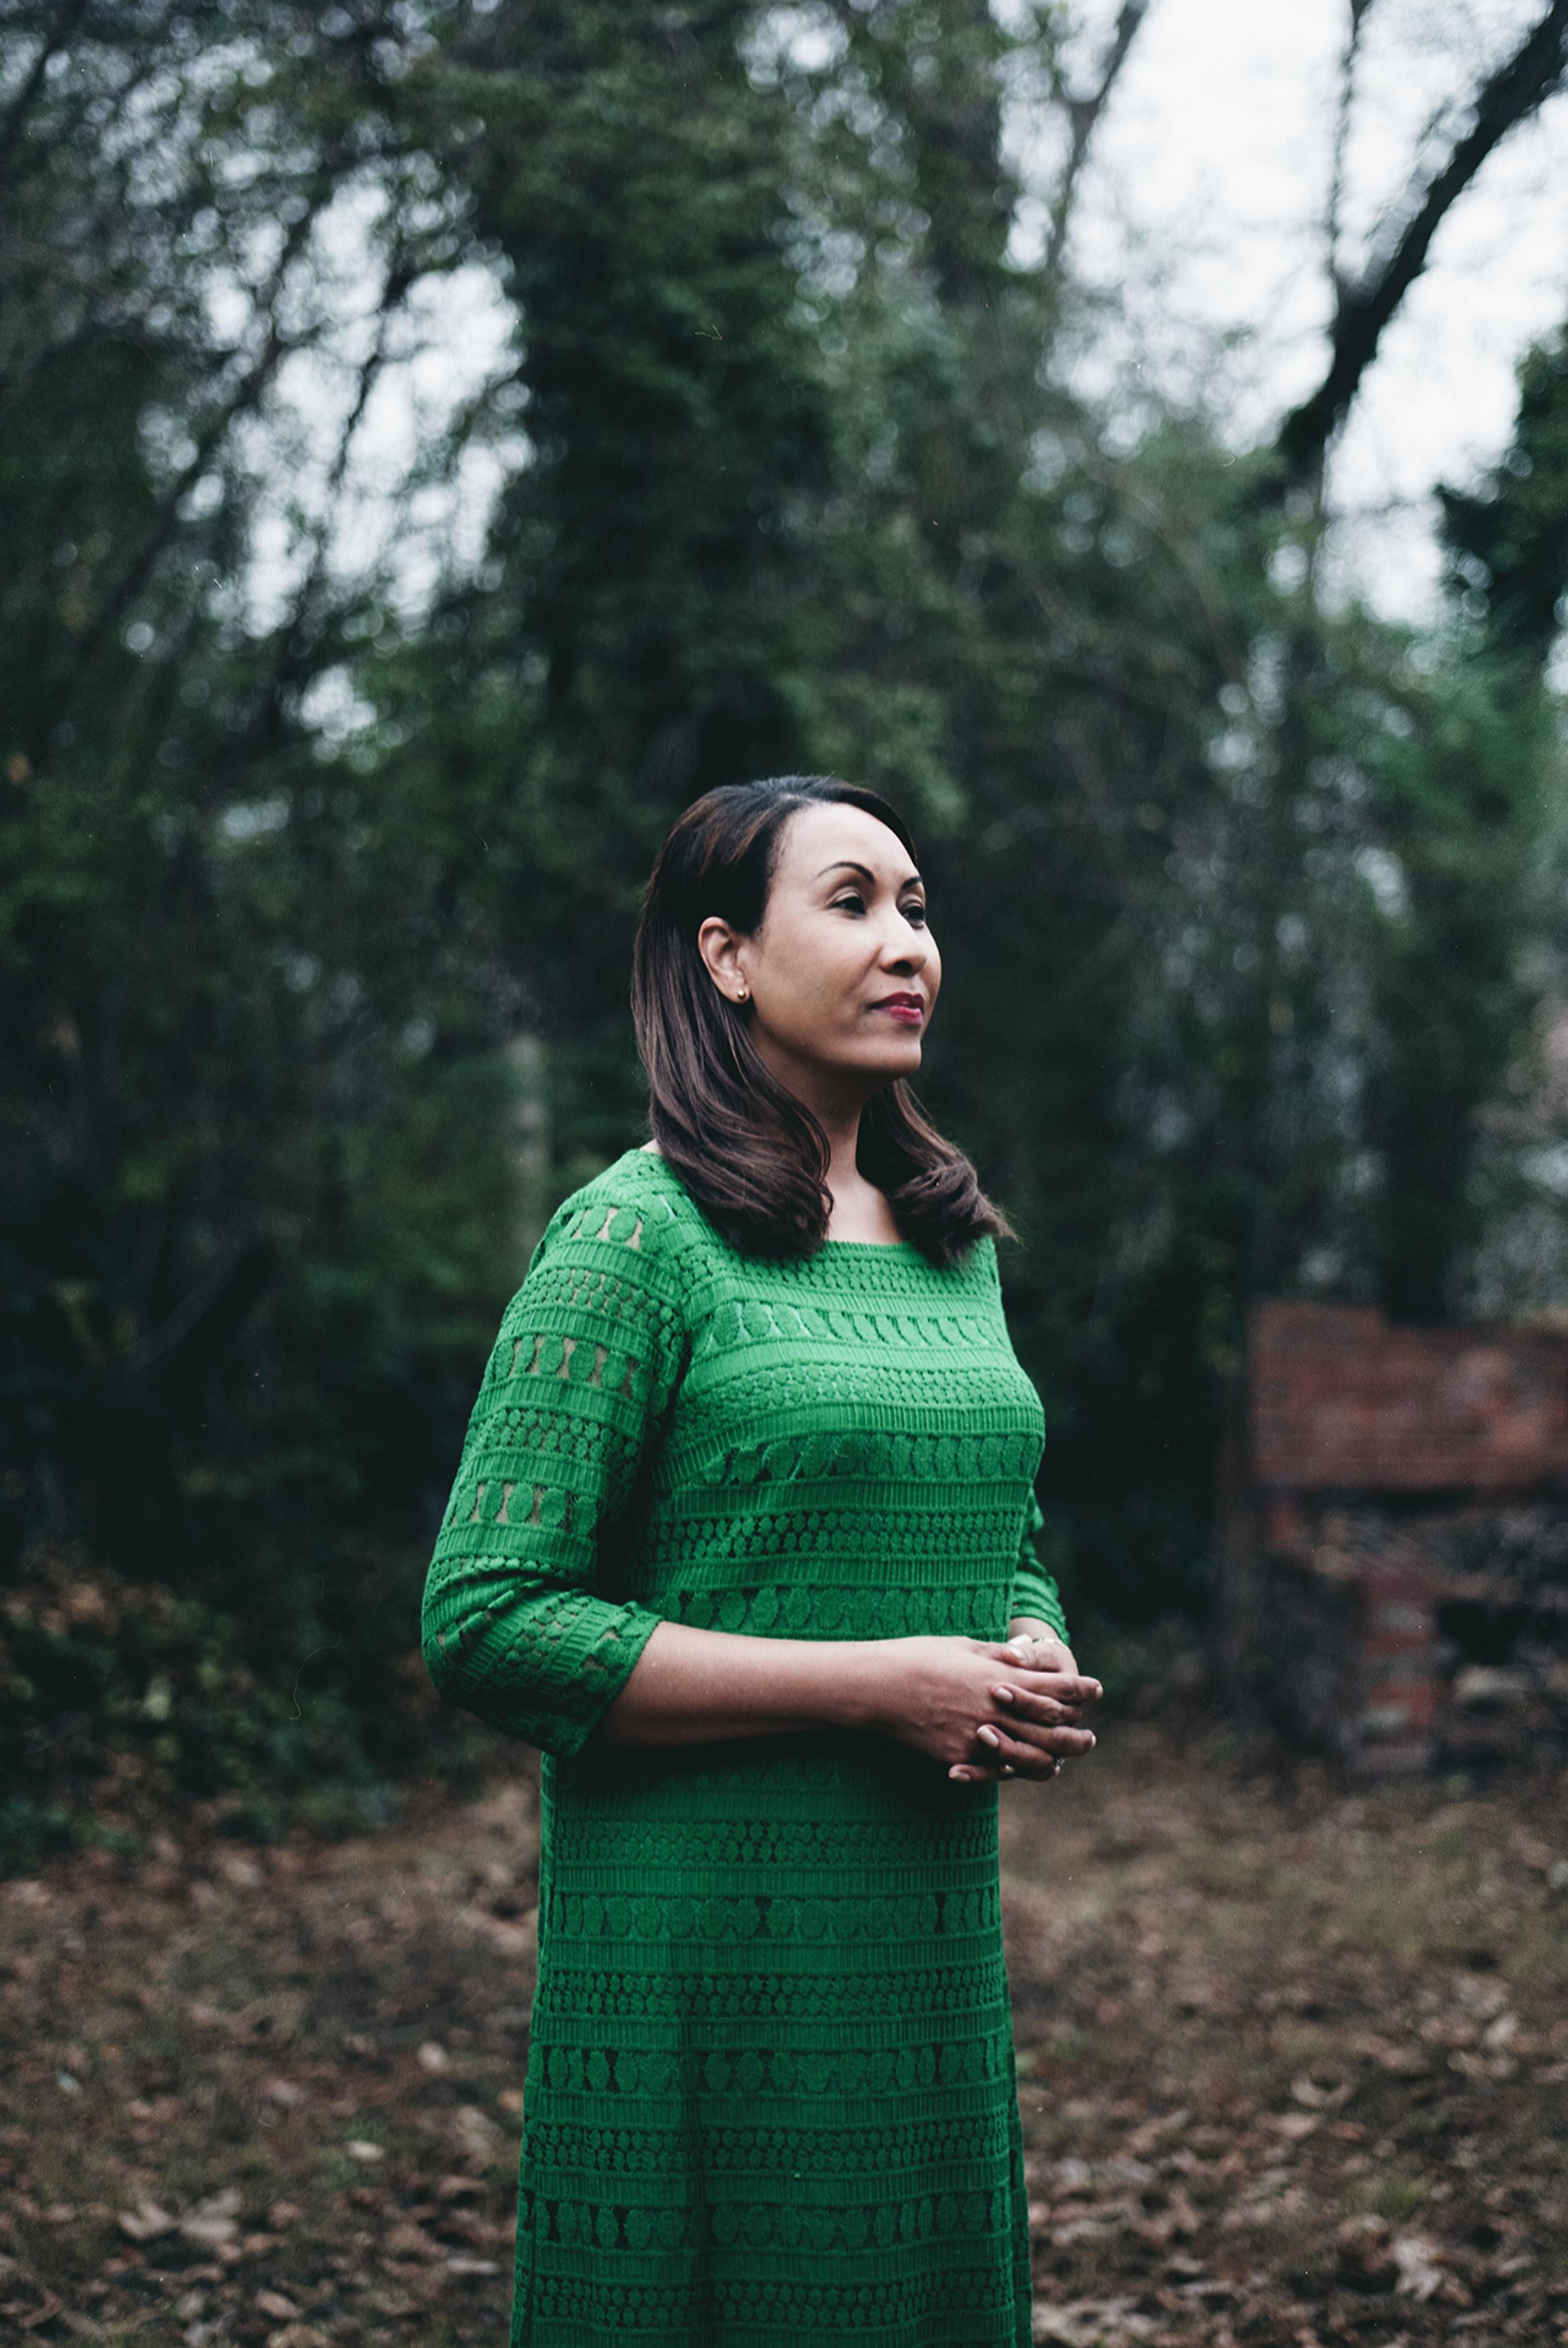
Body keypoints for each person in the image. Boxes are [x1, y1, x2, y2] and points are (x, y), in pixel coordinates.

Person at [420, 774, 1099, 2347]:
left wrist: (1024, 1637)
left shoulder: (951, 1241)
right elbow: (488, 1616)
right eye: (852, 902)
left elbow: (1007, 1534)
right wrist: (874, 1688)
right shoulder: (632, 1237)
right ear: (725, 956)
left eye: (919, 907)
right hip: (699, 1953)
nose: (906, 942)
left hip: (918, 1947)